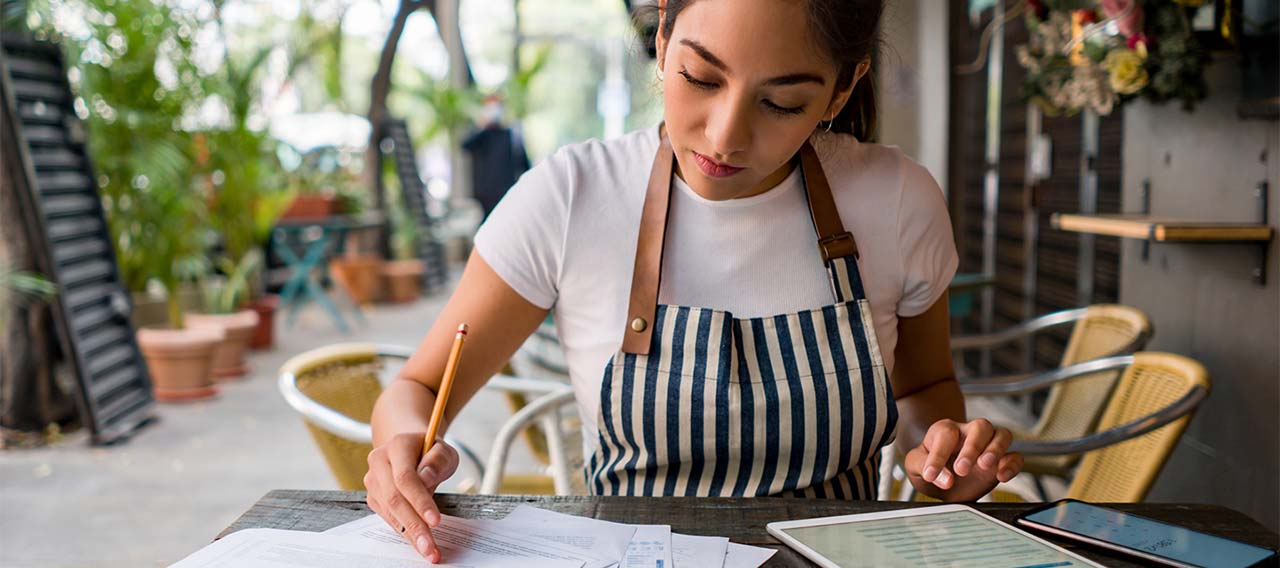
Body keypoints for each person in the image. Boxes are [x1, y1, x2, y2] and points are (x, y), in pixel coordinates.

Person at [367, 0, 1024, 562]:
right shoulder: (568, 197)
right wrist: (401, 448)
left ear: (842, 90)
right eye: (701, 78)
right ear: (661, 40)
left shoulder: (897, 200)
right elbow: (420, 386)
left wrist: (946, 462)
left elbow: (926, 389)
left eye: (781, 102)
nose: (725, 135)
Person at [461, 95, 531, 220]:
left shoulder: (511, 135)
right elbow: (465, 146)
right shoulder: (482, 136)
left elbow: (524, 164)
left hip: (506, 192)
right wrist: (481, 125)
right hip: (485, 194)